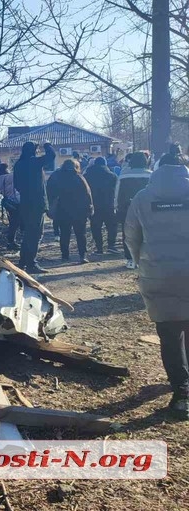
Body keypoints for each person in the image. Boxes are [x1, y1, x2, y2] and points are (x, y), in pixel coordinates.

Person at [125, 153, 189, 420]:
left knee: (170, 333)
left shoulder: (142, 197)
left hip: (159, 273)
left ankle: (182, 395)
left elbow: (131, 235)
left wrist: (144, 263)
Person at [13, 140, 56, 273]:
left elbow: (17, 185)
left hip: (25, 203)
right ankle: (31, 263)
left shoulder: (18, 164)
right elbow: (51, 156)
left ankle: (23, 262)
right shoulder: (34, 162)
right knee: (35, 234)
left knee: (28, 234)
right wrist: (47, 145)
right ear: (33, 150)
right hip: (37, 204)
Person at [46, 159, 94, 263]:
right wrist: (90, 208)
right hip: (79, 211)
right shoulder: (79, 177)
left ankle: (65, 255)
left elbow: (49, 192)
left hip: (62, 210)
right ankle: (82, 255)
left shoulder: (56, 177)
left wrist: (50, 207)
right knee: (81, 234)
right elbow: (87, 194)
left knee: (64, 233)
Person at [116, 151, 152, 269]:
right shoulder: (151, 175)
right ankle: (145, 257)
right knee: (146, 233)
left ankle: (130, 259)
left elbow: (117, 193)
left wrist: (116, 206)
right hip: (147, 209)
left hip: (126, 208)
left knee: (128, 234)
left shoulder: (123, 175)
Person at [84, 156, 119, 254]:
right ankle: (111, 245)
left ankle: (99, 248)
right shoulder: (112, 175)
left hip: (94, 205)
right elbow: (116, 191)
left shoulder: (87, 175)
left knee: (96, 227)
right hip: (109, 205)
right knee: (111, 226)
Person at [0, 163, 20, 249]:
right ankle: (12, 241)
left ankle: (11, 241)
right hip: (16, 202)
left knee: (13, 222)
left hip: (8, 203)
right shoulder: (10, 177)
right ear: (6, 169)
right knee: (15, 222)